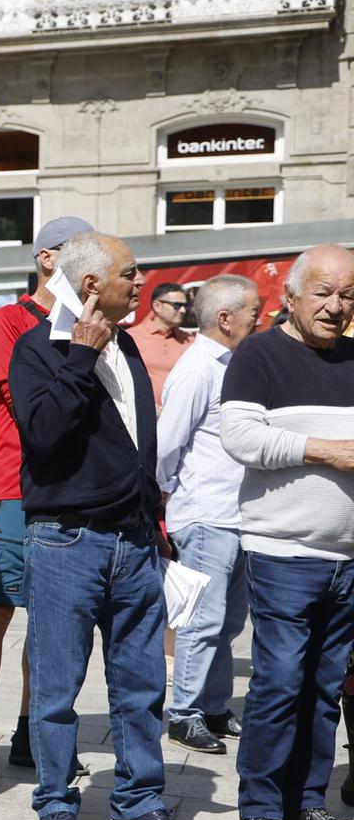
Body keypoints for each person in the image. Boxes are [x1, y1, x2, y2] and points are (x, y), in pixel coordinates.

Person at [9, 232, 201, 820]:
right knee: (58, 688)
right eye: (130, 273)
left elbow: (139, 448)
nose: (140, 282)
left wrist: (156, 529)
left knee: (142, 685)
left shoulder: (127, 348)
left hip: (136, 543)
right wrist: (80, 358)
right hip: (66, 542)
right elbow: (42, 435)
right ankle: (57, 803)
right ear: (92, 284)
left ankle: (139, 803)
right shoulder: (42, 347)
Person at [220, 245, 354, 820]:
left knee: (326, 687)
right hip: (284, 550)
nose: (336, 307)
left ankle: (309, 800)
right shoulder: (259, 354)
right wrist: (327, 450)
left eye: (348, 295)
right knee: (278, 682)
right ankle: (261, 811)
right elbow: (241, 438)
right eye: (324, 293)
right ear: (292, 297)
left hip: (348, 556)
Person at [0, 217, 90, 785]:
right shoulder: (10, 321)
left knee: (50, 619)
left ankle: (27, 732)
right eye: (82, 257)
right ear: (47, 259)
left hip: (69, 487)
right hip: (13, 482)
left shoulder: (89, 323)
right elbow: (25, 401)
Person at [155, 275, 260, 754]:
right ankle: (185, 712)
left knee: (230, 619)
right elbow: (166, 444)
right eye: (252, 313)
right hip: (206, 512)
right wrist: (172, 499)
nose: (258, 320)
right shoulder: (198, 368)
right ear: (225, 318)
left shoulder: (232, 363)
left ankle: (214, 706)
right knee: (203, 618)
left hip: (236, 514)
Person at [131, 280, 193, 406]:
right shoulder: (132, 337)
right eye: (176, 305)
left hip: (182, 417)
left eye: (185, 306)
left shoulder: (191, 342)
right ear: (157, 306)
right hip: (143, 416)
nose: (182, 311)